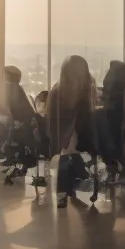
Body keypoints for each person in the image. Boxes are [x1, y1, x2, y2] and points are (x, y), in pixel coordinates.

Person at [48, 55, 98, 207]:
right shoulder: (86, 91)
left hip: (60, 136)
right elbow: (88, 118)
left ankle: (63, 192)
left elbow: (50, 118)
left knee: (65, 153)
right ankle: (78, 178)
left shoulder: (57, 92)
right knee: (73, 150)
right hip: (82, 136)